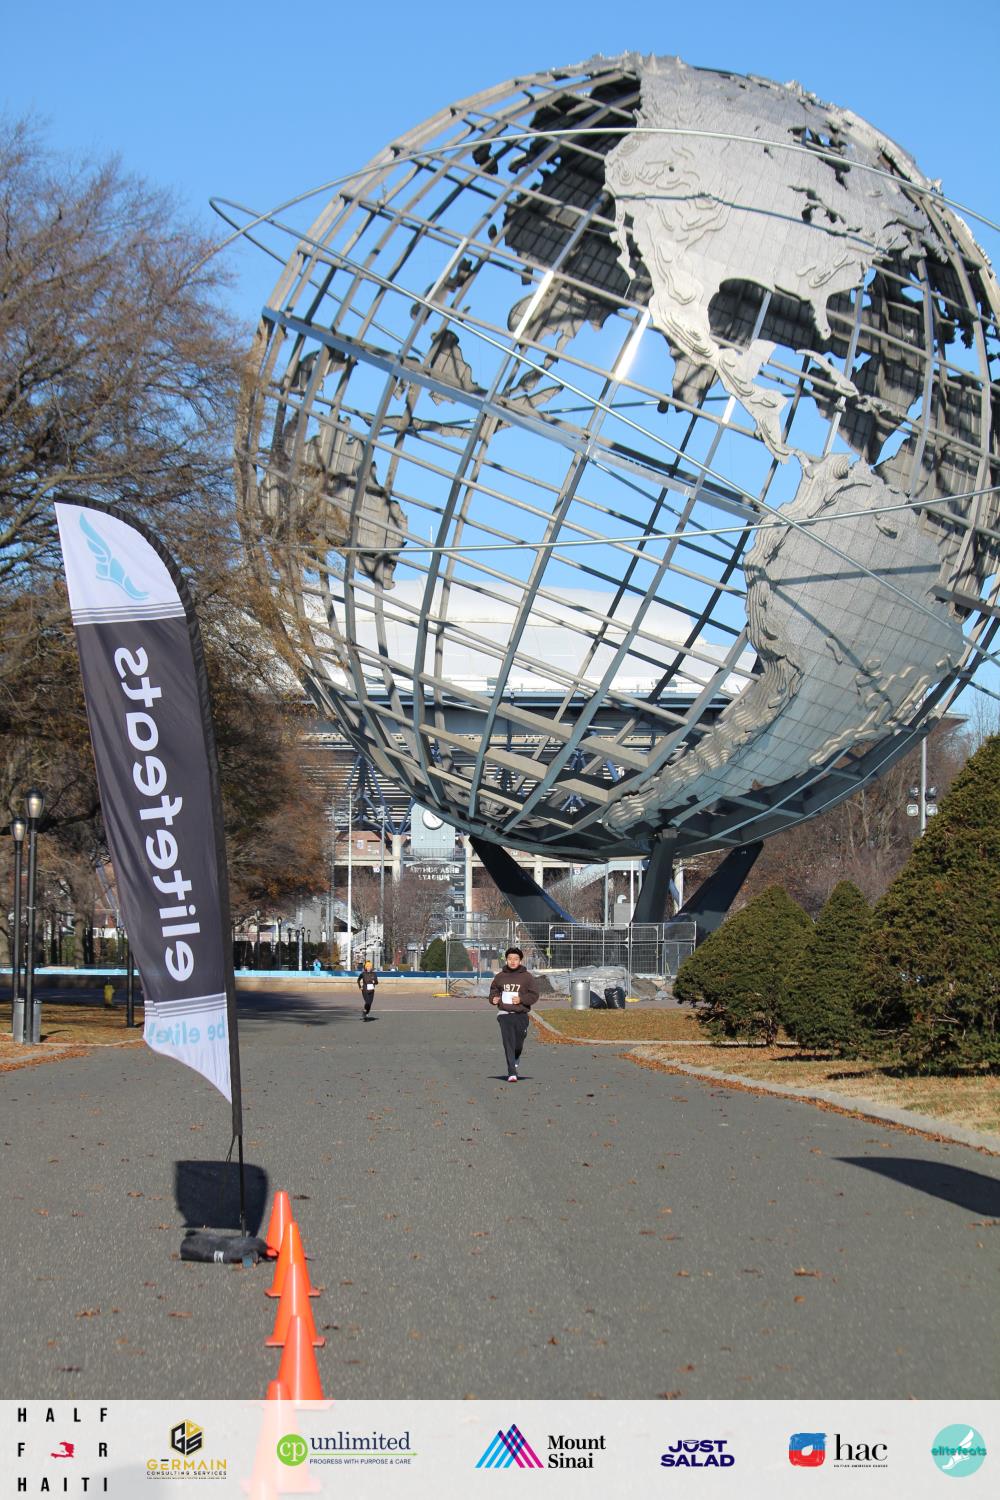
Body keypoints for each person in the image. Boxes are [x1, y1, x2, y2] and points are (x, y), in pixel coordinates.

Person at [488, 946, 539, 1081]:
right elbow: (494, 991)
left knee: (518, 1043)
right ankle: (512, 1072)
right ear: (506, 960)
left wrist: (521, 999)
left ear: (520, 961)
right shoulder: (500, 977)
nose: (512, 961)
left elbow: (534, 995)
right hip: (504, 1014)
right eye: (510, 958)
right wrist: (493, 999)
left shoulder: (527, 977)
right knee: (508, 1042)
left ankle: (516, 1055)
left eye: (515, 959)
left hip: (521, 1014)